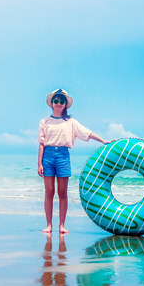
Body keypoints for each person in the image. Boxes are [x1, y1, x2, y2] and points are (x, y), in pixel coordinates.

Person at [38, 89, 113, 234]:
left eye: (61, 101)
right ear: (52, 104)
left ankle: (61, 225)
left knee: (63, 193)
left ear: (65, 104)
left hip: (63, 156)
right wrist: (39, 163)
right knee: (49, 192)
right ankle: (49, 225)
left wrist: (103, 140)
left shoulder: (71, 122)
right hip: (47, 156)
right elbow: (41, 143)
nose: (58, 103)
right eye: (56, 100)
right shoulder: (45, 121)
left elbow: (87, 133)